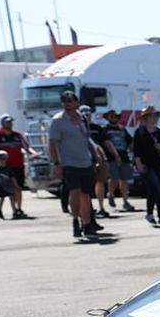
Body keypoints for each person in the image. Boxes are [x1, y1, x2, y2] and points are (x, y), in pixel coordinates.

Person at [48, 89, 106, 241]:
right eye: (64, 101)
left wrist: (96, 155)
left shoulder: (82, 119)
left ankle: (86, 223)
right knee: (75, 191)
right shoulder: (58, 120)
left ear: (76, 103)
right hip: (69, 162)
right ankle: (75, 219)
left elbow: (87, 140)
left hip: (85, 162)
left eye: (70, 101)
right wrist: (57, 163)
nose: (66, 104)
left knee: (86, 194)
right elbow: (52, 143)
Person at [130, 105, 160, 226]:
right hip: (147, 165)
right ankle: (150, 214)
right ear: (146, 118)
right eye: (152, 116)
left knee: (159, 190)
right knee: (155, 187)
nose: (155, 118)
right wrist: (139, 164)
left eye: (156, 115)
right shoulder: (140, 132)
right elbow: (136, 151)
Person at [0, 114, 32, 219]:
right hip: (5, 167)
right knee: (6, 191)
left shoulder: (18, 135)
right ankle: (5, 210)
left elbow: (27, 147)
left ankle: (18, 208)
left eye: (11, 122)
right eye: (7, 122)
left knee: (18, 187)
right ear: (2, 123)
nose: (10, 124)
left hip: (18, 165)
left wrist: (33, 154)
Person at [81, 105, 114, 218]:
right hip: (84, 160)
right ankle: (88, 209)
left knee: (100, 182)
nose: (86, 117)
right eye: (84, 114)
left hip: (98, 159)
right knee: (86, 186)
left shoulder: (97, 128)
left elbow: (104, 143)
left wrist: (113, 155)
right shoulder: (78, 128)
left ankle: (101, 207)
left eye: (88, 114)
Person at [101, 109, 137, 211]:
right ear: (108, 118)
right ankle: (111, 194)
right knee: (114, 178)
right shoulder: (105, 129)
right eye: (112, 116)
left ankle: (125, 201)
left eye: (116, 116)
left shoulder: (122, 129)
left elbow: (130, 142)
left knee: (124, 180)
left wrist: (134, 154)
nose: (114, 118)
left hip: (124, 157)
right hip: (111, 158)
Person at [0, 152, 22, 219]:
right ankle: (0, 210)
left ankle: (14, 212)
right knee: (2, 198)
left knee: (12, 198)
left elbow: (12, 177)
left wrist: (16, 186)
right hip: (0, 186)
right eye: (2, 159)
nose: (3, 160)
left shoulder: (8, 168)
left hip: (9, 185)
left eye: (4, 159)